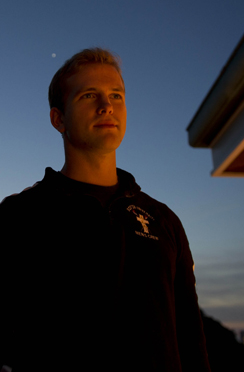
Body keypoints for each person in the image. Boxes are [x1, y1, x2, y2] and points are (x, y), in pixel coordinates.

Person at [0, 48, 211, 372]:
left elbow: (190, 339)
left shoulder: (163, 219)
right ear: (59, 118)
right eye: (88, 95)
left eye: (116, 95)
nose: (106, 106)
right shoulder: (19, 215)